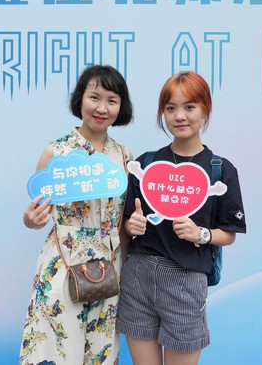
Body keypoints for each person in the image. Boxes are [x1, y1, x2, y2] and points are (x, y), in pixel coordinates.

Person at [117, 71, 246, 365]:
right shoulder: (145, 164)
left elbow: (229, 233)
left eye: (189, 107)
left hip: (185, 279)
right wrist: (130, 225)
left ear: (205, 110)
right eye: (170, 108)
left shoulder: (220, 170)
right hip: (138, 276)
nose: (179, 116)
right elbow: (125, 222)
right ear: (162, 113)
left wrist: (201, 233)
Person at [19, 64, 134, 365]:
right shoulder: (55, 152)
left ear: (121, 107)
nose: (102, 108)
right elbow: (37, 212)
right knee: (57, 349)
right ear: (80, 99)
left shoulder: (124, 157)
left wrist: (127, 267)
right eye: (94, 97)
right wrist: (30, 220)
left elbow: (124, 222)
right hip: (63, 264)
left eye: (112, 100)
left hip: (109, 268)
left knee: (100, 352)